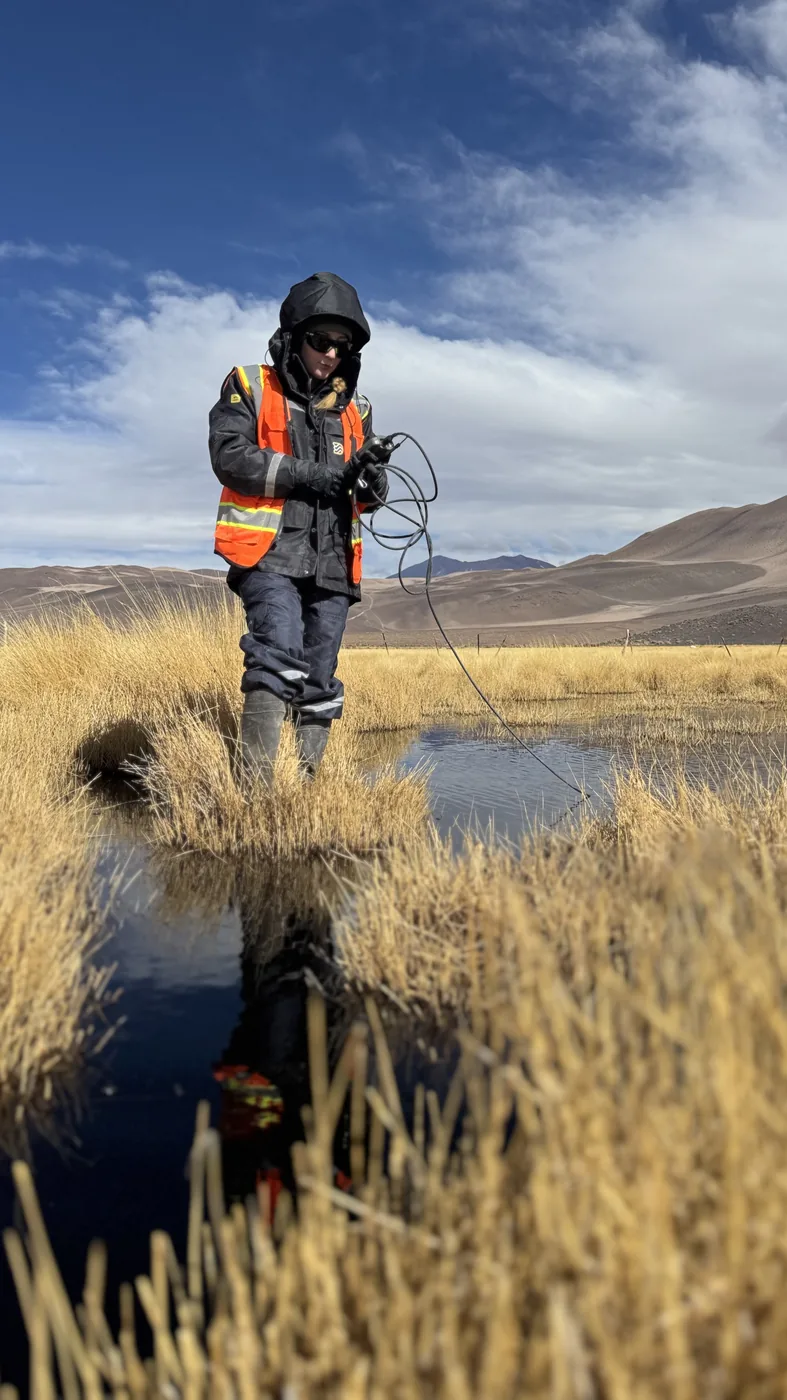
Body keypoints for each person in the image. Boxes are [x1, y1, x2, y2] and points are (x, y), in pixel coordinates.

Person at [209, 271, 391, 784]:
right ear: (294, 337)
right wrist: (312, 474)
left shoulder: (359, 410)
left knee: (319, 677)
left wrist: (371, 480)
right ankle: (255, 796)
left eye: (342, 344)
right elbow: (230, 456)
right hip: (267, 554)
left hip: (334, 564)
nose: (331, 353)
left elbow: (370, 500)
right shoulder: (249, 385)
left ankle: (307, 789)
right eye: (320, 340)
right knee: (277, 650)